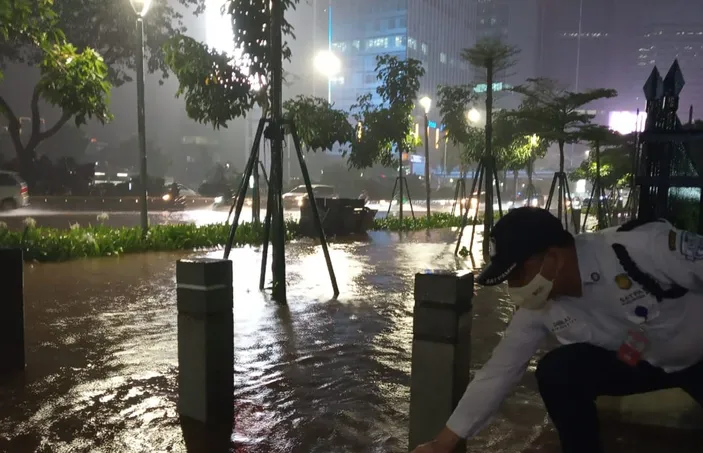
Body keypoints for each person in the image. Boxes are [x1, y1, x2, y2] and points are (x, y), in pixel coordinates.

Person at [412, 207, 703, 453]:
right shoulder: (539, 307)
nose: (514, 288)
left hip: (698, 356)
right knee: (557, 372)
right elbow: (498, 373)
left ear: (553, 258)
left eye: (518, 275)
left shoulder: (641, 248)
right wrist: (442, 444)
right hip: (641, 361)